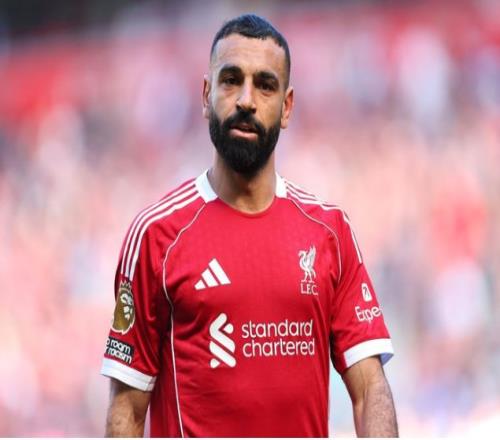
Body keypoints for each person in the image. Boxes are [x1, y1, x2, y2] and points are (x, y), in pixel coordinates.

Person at [101, 14, 398, 438]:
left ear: (287, 107)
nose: (246, 100)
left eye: (265, 85)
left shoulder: (329, 232)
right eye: (230, 80)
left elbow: (370, 389)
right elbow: (127, 410)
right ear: (206, 95)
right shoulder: (156, 236)